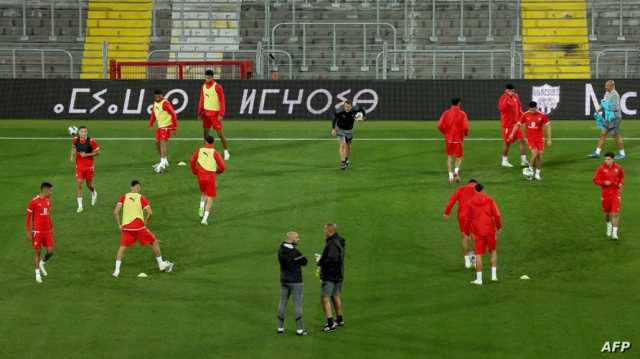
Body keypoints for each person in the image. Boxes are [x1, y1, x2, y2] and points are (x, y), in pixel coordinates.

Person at [112, 180, 174, 277]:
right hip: (139, 228)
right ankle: (161, 264)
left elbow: (115, 212)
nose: (138, 189)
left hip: (127, 228)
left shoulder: (124, 197)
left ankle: (116, 271)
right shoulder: (141, 198)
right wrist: (145, 224)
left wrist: (119, 225)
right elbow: (150, 212)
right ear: (132, 187)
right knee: (154, 241)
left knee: (122, 248)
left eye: (139, 188)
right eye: (137, 187)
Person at [468, 183, 502, 285]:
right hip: (490, 230)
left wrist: (469, 232)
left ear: (475, 191)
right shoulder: (490, 200)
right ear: (483, 190)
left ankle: (479, 280)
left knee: (478, 254)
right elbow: (497, 215)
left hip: (477, 232)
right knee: (493, 251)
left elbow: (467, 219)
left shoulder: (470, 203)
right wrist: (499, 227)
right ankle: (494, 276)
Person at [276, 231, 309, 336]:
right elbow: (305, 262)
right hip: (296, 282)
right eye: (297, 238)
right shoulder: (295, 253)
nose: (298, 239)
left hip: (284, 280)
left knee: (282, 303)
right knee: (297, 305)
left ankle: (280, 328)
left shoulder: (280, 249)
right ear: (292, 239)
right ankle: (299, 330)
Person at [510, 101, 552, 181]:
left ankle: (537, 174)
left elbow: (548, 126)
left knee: (540, 156)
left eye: (534, 109)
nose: (533, 111)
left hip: (540, 138)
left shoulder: (542, 115)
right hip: (530, 138)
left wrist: (549, 139)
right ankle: (530, 168)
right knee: (535, 152)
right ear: (529, 108)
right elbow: (518, 124)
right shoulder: (525, 114)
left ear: (536, 107)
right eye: (531, 110)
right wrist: (512, 133)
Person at [189, 135, 226, 225]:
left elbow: (192, 161)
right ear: (213, 143)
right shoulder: (215, 153)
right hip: (211, 177)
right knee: (210, 197)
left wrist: (194, 171)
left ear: (205, 142)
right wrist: (218, 172)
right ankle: (204, 219)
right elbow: (222, 167)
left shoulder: (199, 150)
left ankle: (201, 207)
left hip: (201, 176)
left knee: (204, 192)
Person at [316, 223, 346, 332]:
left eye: (325, 230)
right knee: (335, 295)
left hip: (330, 275)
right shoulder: (339, 240)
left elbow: (331, 259)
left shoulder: (332, 244)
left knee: (325, 298)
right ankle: (340, 319)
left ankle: (330, 323)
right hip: (338, 274)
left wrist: (320, 261)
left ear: (330, 231)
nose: (324, 232)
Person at [443, 179, 478, 268]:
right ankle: (474, 259)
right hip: (474, 216)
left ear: (468, 183)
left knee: (464, 237)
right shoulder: (477, 188)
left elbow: (451, 201)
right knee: (474, 237)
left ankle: (467, 261)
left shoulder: (461, 189)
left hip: (462, 216)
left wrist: (447, 212)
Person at [588, 80, 626, 160]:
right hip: (608, 118)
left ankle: (622, 154)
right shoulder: (607, 93)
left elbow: (615, 108)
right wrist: (598, 109)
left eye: (607, 86)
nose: (605, 87)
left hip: (615, 118)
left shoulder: (615, 95)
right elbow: (604, 103)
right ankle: (597, 152)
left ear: (612, 86)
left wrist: (606, 107)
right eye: (605, 85)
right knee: (603, 133)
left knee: (615, 135)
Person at [25, 182, 55, 283]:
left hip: (47, 231)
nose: (51, 192)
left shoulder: (48, 201)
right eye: (50, 190)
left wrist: (51, 227)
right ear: (45, 190)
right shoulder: (33, 201)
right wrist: (28, 231)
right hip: (37, 232)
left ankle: (42, 263)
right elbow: (28, 218)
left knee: (50, 251)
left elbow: (48, 215)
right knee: (37, 253)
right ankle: (37, 273)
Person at [198, 69, 230, 160]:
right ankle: (206, 151)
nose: (207, 79)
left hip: (215, 114)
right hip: (206, 114)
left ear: (212, 77)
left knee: (220, 134)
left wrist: (221, 113)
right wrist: (200, 112)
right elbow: (201, 100)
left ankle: (226, 151)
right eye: (206, 77)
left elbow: (222, 101)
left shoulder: (217, 87)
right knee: (205, 134)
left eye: (208, 78)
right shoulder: (203, 86)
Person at [593, 152, 624, 240]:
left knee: (615, 213)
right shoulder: (601, 168)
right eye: (605, 159)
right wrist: (603, 182)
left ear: (613, 159)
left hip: (615, 193)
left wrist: (621, 183)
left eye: (608, 159)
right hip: (605, 194)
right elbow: (595, 180)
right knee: (606, 214)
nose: (607, 161)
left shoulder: (618, 168)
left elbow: (622, 177)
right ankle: (608, 225)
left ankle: (614, 233)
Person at [437, 97, 469, 183]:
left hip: (449, 139)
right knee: (459, 157)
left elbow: (439, 125)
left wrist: (445, 133)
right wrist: (465, 134)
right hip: (458, 139)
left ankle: (450, 176)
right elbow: (465, 127)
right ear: (459, 103)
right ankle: (456, 172)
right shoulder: (462, 114)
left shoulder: (446, 113)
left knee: (449, 156)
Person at [70, 126, 100, 213]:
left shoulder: (91, 141)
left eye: (85, 131)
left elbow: (98, 152)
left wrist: (86, 155)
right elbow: (73, 147)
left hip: (89, 166)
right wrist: (72, 156)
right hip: (79, 166)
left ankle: (94, 192)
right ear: (79, 133)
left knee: (89, 185)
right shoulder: (75, 140)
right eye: (82, 132)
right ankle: (80, 206)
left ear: (87, 132)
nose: (83, 133)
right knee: (79, 184)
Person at [498, 84, 529, 168]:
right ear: (506, 90)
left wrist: (523, 116)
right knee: (507, 142)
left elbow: (519, 108)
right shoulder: (503, 97)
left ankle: (523, 160)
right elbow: (501, 108)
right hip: (508, 124)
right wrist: (507, 99)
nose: (512, 92)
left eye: (513, 91)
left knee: (522, 139)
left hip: (516, 123)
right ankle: (504, 161)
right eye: (510, 91)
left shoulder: (516, 96)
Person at [149, 89, 178, 173]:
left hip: (167, 126)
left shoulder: (165, 104)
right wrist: (151, 123)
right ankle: (164, 160)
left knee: (162, 142)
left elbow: (173, 114)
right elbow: (154, 113)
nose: (157, 98)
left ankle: (162, 162)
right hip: (160, 126)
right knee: (157, 143)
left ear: (162, 96)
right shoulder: (155, 103)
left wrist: (174, 127)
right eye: (156, 96)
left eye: (159, 96)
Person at [332, 100, 366, 170]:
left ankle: (346, 159)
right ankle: (343, 162)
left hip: (349, 130)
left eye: (348, 107)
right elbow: (335, 119)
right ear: (344, 106)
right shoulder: (339, 111)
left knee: (348, 146)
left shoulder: (355, 109)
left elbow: (362, 109)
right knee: (343, 145)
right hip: (340, 129)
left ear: (351, 107)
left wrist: (364, 117)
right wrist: (333, 129)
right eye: (345, 107)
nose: (347, 108)